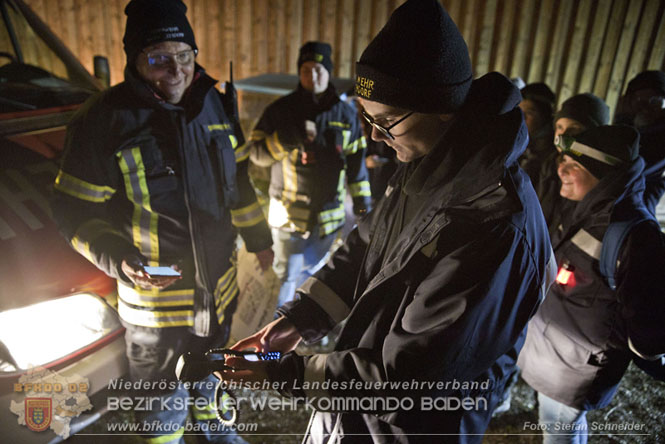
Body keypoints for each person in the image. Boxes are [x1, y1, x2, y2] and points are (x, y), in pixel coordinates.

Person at [220, 1, 556, 442]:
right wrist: (301, 318)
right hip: (360, 409)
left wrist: (290, 376)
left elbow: (408, 380)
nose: (373, 136)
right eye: (366, 117)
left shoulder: (492, 227)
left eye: (385, 121)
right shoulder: (429, 162)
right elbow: (367, 246)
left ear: (442, 109)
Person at [52, 0, 272, 442]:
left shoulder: (216, 104)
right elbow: (74, 210)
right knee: (160, 407)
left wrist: (259, 237)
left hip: (221, 292)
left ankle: (215, 435)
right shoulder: (103, 120)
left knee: (212, 380)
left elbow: (241, 181)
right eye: (158, 60)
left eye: (185, 57)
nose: (176, 71)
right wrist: (120, 260)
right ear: (135, 64)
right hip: (157, 312)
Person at [518, 125, 665, 443]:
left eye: (574, 165)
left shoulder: (635, 236)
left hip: (576, 369)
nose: (560, 170)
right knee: (558, 424)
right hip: (554, 355)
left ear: (606, 175)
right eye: (562, 160)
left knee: (558, 428)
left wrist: (653, 359)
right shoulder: (575, 208)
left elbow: (648, 323)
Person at [248, 41, 372, 309]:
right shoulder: (280, 111)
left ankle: (300, 331)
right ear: (299, 73)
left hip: (328, 219)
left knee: (311, 275)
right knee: (286, 278)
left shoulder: (346, 114)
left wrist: (364, 205)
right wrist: (284, 140)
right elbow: (256, 154)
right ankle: (275, 335)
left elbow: (357, 162)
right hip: (288, 216)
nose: (312, 76)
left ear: (329, 73)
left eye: (318, 70)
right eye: (305, 70)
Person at [537, 93, 610, 236]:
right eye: (559, 127)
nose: (563, 135)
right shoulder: (548, 164)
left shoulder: (592, 175)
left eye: (574, 128)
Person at [614, 70, 665, 216]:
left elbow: (622, 169)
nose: (646, 109)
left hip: (638, 216)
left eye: (655, 102)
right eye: (639, 101)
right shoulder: (629, 130)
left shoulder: (660, 143)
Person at [518, 82, 557, 185]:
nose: (522, 118)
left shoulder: (552, 154)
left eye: (529, 113)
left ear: (544, 117)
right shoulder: (517, 143)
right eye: (519, 112)